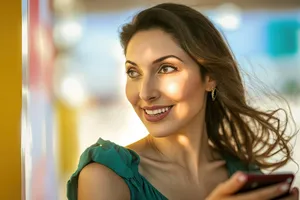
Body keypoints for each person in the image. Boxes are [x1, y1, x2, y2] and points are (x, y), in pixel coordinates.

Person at [67, 3, 299, 200]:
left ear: (210, 77)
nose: (145, 93)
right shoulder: (105, 177)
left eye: (166, 68)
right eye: (133, 72)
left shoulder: (244, 175)